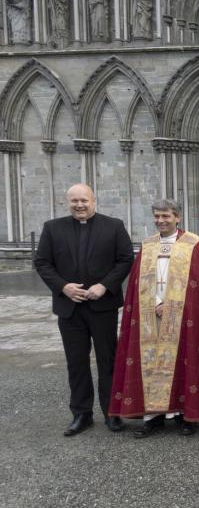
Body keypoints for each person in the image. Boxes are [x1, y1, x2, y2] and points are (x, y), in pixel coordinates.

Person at [108, 199, 199, 438]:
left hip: (182, 315)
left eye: (166, 216)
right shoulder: (147, 245)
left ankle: (184, 414)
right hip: (149, 312)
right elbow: (137, 281)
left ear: (177, 217)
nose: (161, 221)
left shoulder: (193, 244)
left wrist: (172, 304)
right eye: (157, 216)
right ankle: (153, 417)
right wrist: (155, 303)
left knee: (182, 359)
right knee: (148, 360)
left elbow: (197, 282)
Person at [34, 184, 134, 436]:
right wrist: (63, 287)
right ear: (67, 202)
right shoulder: (52, 228)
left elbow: (125, 260)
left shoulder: (114, 226)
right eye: (74, 201)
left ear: (94, 201)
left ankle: (112, 412)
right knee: (76, 362)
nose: (79, 205)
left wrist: (105, 285)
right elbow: (42, 262)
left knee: (107, 361)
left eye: (84, 200)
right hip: (70, 308)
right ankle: (81, 414)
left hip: (102, 307)